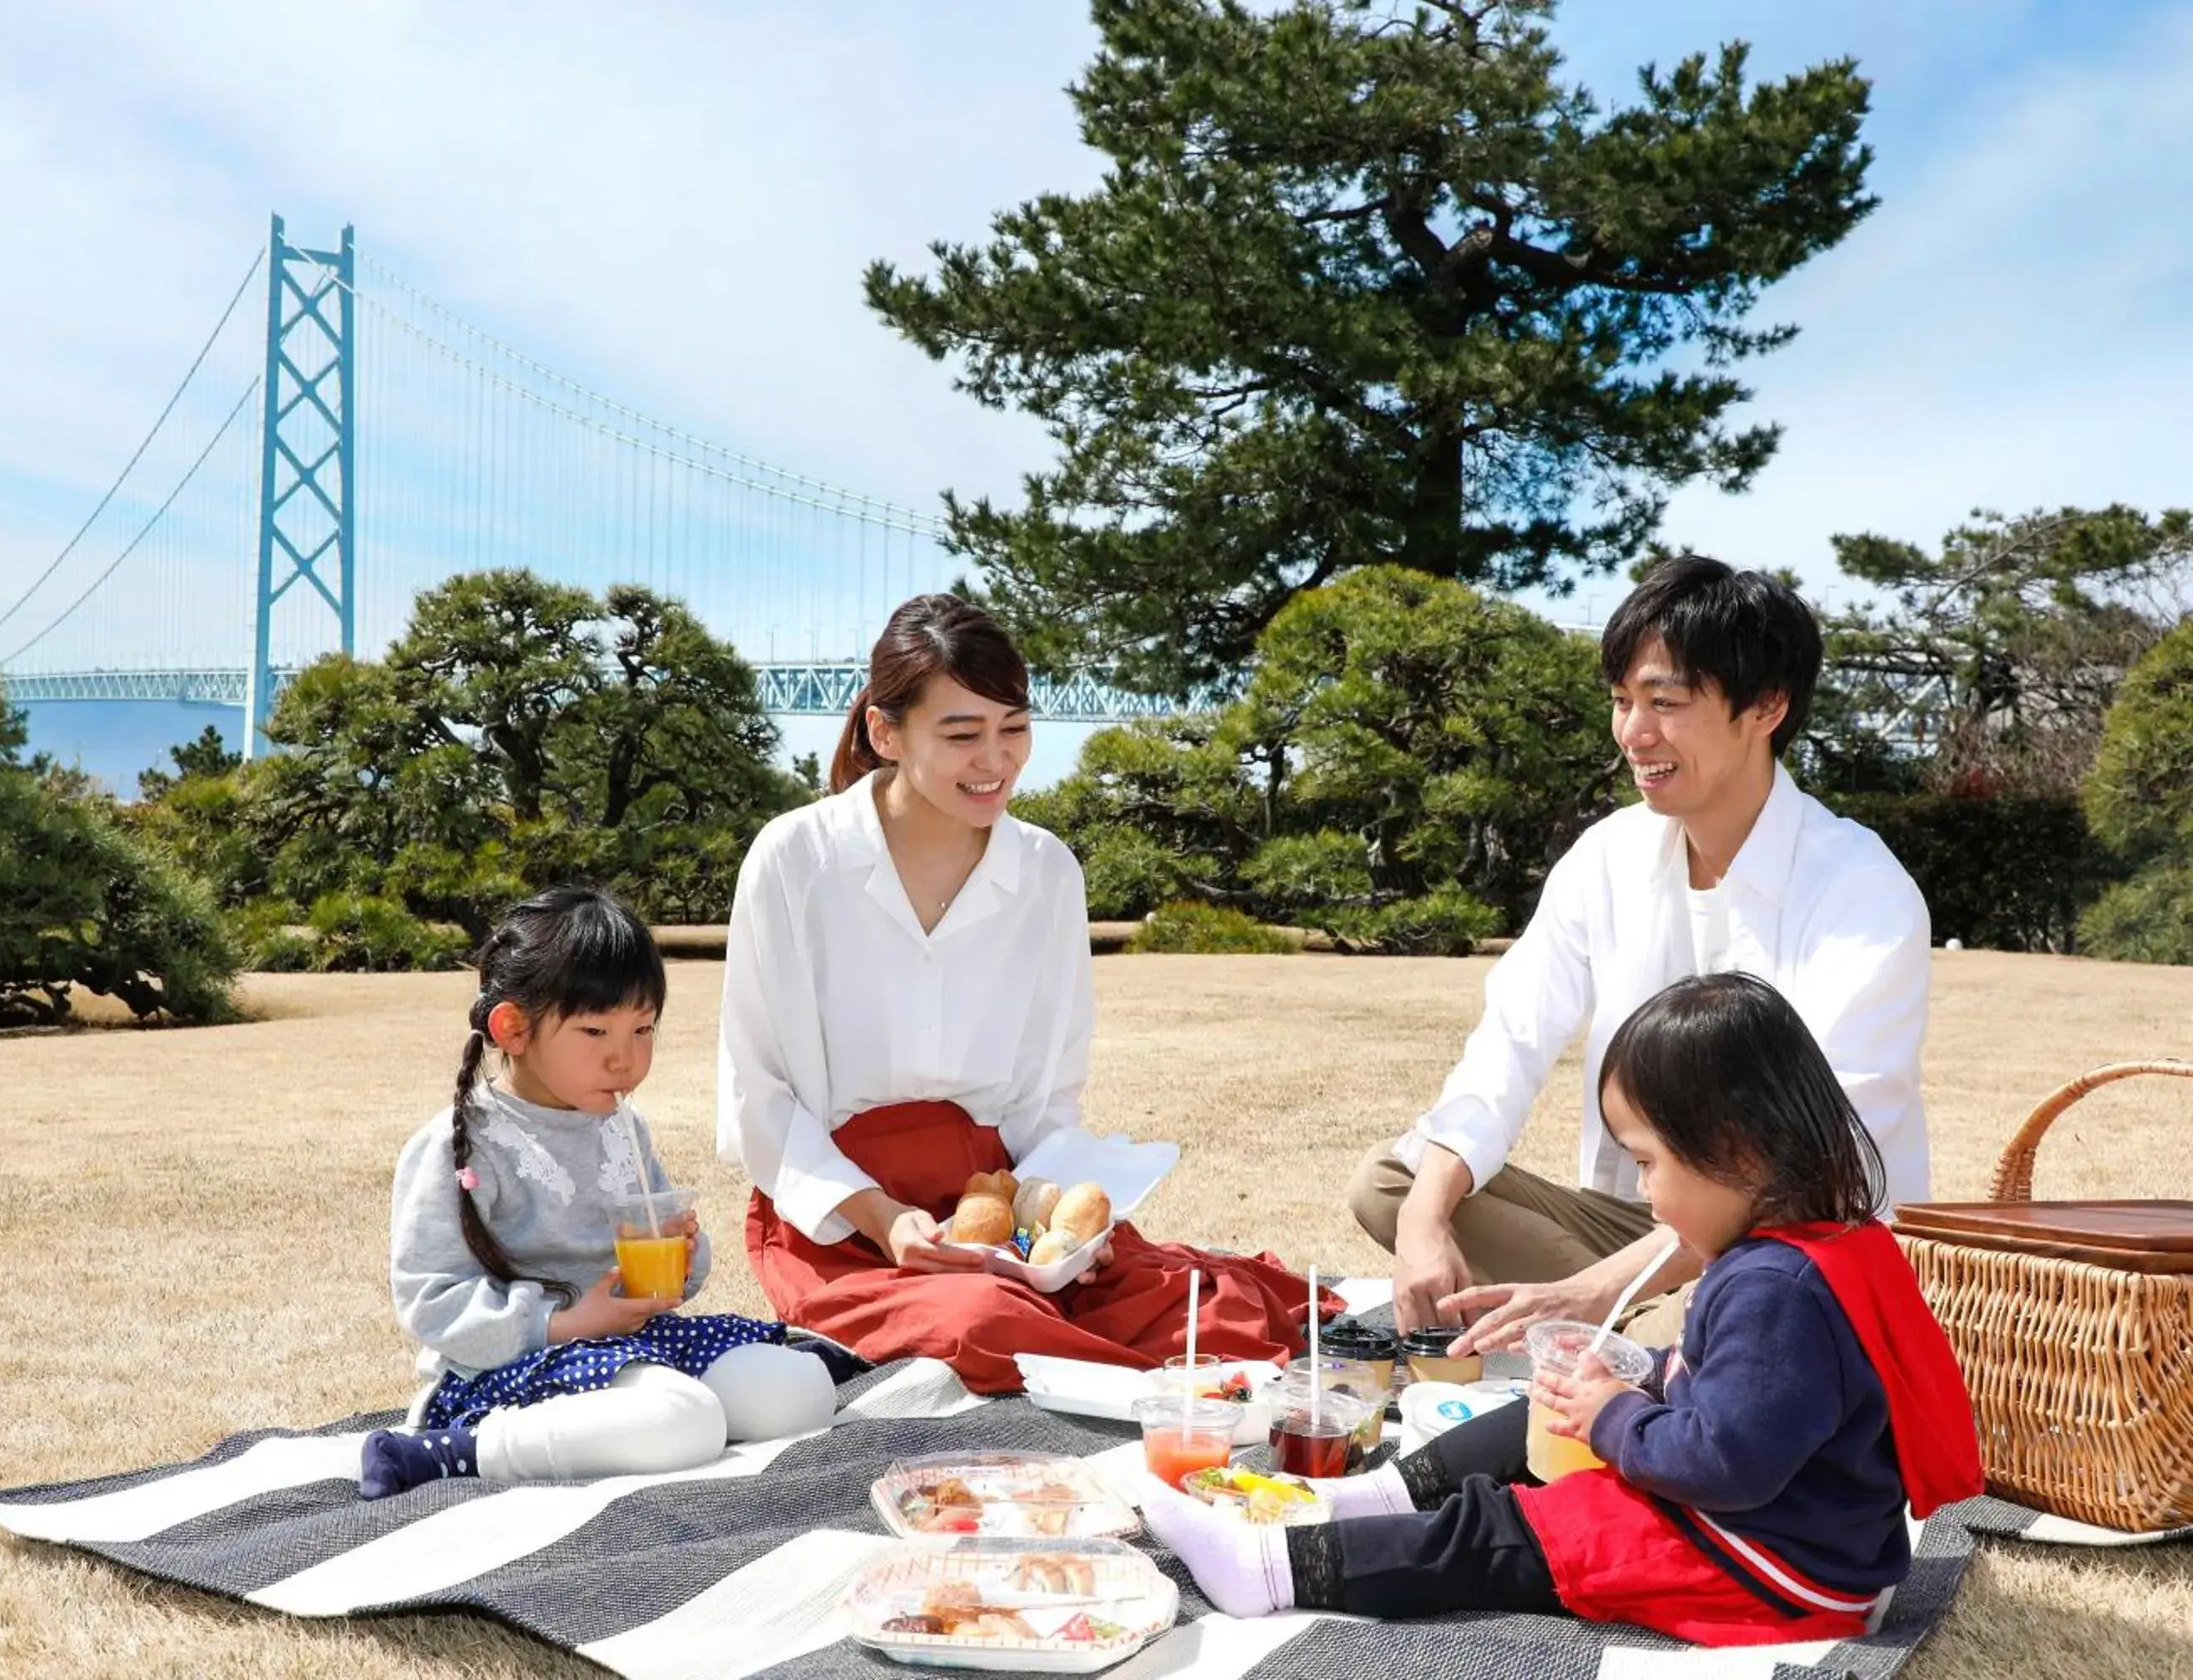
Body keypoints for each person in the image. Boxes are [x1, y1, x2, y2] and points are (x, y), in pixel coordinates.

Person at [1145, 973, 1982, 1647]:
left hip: (1773, 1565)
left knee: (1506, 1527)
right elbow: (1754, 1395)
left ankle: (1274, 1567)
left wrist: (1617, 1414)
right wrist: (1642, 1375)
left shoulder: (1778, 1286)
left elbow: (1728, 1465)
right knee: (1536, 1411)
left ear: (1733, 1149)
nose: (1646, 1194)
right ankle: (1369, 1500)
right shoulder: (1820, 1245)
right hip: (1790, 1528)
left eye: (1648, 1163)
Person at [718, 593, 1333, 1394]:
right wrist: (881, 1216)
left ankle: (1138, 1369)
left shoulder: (1047, 871)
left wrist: (1060, 1225)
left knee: (1207, 1313)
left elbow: (1047, 1093)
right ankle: (1154, 1392)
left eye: (1014, 728)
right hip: (840, 1219)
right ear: (884, 732)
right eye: (962, 733)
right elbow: (756, 1096)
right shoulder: (795, 858)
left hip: (1005, 1211)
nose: (996, 761)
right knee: (979, 1328)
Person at [1350, 556, 1932, 1350]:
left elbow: (1823, 1161)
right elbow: (1511, 1043)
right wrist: (1424, 1219)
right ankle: (1633, 1336)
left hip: (1795, 1250)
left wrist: (1593, 1290)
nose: (1634, 732)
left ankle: (1639, 1333)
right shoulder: (1609, 855)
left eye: (1667, 702)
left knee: (1707, 1314)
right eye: (1623, 701)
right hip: (1640, 1227)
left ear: (1766, 706)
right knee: (1397, 1182)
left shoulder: (1862, 891)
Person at [359, 886, 835, 1499]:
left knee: (801, 1392)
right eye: (595, 1031)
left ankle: (643, 1424)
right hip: (514, 1365)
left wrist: (683, 1254)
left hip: (632, 1344)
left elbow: (665, 1275)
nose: (626, 1060)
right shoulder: (465, 1145)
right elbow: (433, 1301)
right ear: (513, 1028)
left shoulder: (623, 1129)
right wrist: (565, 1324)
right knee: (683, 1422)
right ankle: (456, 1450)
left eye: (642, 1030)